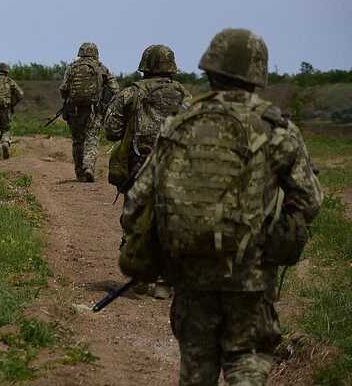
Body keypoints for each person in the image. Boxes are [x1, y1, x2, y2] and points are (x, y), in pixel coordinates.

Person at [120, 28, 322, 385]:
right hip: (251, 275)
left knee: (197, 365)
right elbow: (309, 200)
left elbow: (139, 198)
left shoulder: (180, 125)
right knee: (246, 359)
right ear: (257, 74)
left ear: (209, 69)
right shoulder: (276, 129)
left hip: (189, 272)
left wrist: (149, 250)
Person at [104, 44, 190, 299]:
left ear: (145, 65)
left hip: (139, 167)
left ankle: (140, 277)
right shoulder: (185, 95)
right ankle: (164, 282)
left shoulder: (131, 93)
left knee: (136, 220)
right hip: (176, 167)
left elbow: (111, 130)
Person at [59, 42, 120, 182]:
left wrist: (70, 99)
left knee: (77, 141)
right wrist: (105, 102)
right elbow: (115, 89)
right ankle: (89, 167)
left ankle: (80, 173)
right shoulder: (101, 67)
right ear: (96, 53)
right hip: (94, 110)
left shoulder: (72, 67)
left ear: (80, 52)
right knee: (91, 139)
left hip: (74, 111)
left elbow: (63, 89)